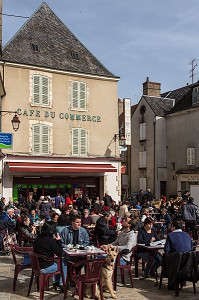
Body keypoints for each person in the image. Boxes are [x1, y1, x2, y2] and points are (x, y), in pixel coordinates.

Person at [33, 222, 64, 292]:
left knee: (56, 261)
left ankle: (55, 283)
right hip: (45, 267)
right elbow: (60, 253)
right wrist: (59, 241)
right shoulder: (50, 241)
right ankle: (60, 283)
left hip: (36, 266)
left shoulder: (38, 238)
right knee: (62, 264)